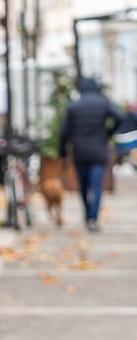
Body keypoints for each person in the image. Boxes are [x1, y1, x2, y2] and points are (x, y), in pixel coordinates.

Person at [58, 77, 123, 231]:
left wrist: (62, 153)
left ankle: (88, 215)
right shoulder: (103, 103)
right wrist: (108, 133)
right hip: (99, 150)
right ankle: (93, 218)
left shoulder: (73, 106)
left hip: (80, 152)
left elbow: (63, 132)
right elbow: (119, 117)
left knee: (83, 186)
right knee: (97, 186)